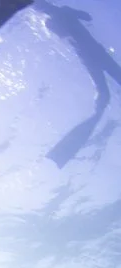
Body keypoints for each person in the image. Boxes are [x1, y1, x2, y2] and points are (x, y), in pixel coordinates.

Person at [34, 2, 121, 165]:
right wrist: (71, 13)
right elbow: (86, 18)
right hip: (94, 54)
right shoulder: (55, 19)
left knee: (105, 95)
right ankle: (89, 123)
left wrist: (70, 15)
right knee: (108, 90)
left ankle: (93, 118)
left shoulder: (50, 23)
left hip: (90, 57)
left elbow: (72, 36)